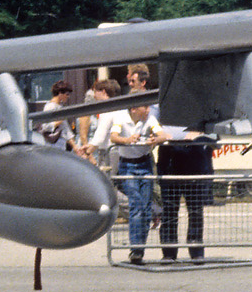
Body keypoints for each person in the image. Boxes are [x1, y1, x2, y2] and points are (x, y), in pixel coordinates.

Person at [108, 99, 162, 264]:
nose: (147, 110)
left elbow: (160, 134)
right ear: (133, 109)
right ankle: (135, 249)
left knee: (145, 209)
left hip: (145, 164)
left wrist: (156, 140)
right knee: (136, 205)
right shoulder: (120, 119)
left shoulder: (149, 119)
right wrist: (127, 140)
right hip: (127, 165)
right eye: (144, 107)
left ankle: (139, 248)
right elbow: (113, 137)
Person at [156, 127, 216, 262]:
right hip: (169, 166)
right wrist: (159, 135)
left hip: (195, 166)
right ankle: (169, 252)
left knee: (195, 212)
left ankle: (196, 251)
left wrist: (201, 134)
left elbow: (216, 139)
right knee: (169, 212)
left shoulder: (202, 112)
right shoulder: (161, 110)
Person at [78, 79, 122, 167]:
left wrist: (87, 153)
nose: (94, 96)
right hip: (117, 151)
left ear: (103, 92)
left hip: (108, 152)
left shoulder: (106, 110)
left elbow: (100, 137)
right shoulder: (117, 107)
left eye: (95, 92)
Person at [37, 80, 74, 150]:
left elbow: (66, 128)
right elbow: (45, 126)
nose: (68, 97)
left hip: (60, 144)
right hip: (53, 145)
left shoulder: (59, 106)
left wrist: (74, 146)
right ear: (60, 93)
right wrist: (58, 122)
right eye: (67, 94)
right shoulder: (50, 106)